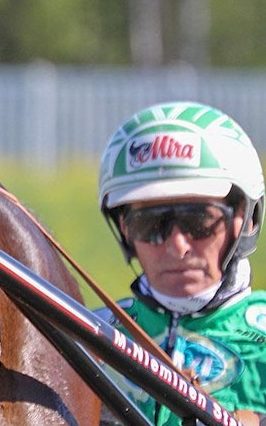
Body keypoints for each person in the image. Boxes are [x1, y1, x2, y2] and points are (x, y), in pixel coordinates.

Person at [98, 101, 266, 425]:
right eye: (149, 225)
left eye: (199, 221)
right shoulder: (87, 337)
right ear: (124, 229)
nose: (177, 247)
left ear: (244, 219)